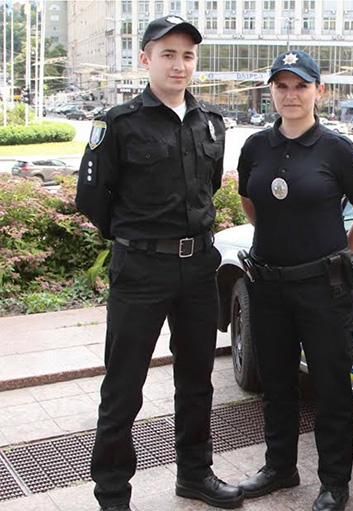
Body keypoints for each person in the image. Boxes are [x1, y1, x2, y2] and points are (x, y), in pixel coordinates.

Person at [75, 16, 244, 511]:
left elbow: (207, 187)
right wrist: (136, 237)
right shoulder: (118, 123)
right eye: (167, 53)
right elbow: (92, 198)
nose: (179, 63)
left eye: (187, 55)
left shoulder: (210, 121)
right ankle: (112, 495)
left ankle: (194, 474)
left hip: (197, 269)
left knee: (196, 380)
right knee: (124, 387)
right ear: (145, 58)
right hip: (140, 271)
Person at [235, 50, 353, 511]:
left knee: (330, 387)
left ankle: (334, 483)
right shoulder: (256, 146)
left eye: (301, 85)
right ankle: (280, 467)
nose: (290, 95)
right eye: (281, 86)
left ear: (319, 90)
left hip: (323, 289)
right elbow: (251, 205)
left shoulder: (337, 149)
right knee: (276, 382)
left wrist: (333, 258)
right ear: (271, 92)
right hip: (268, 285)